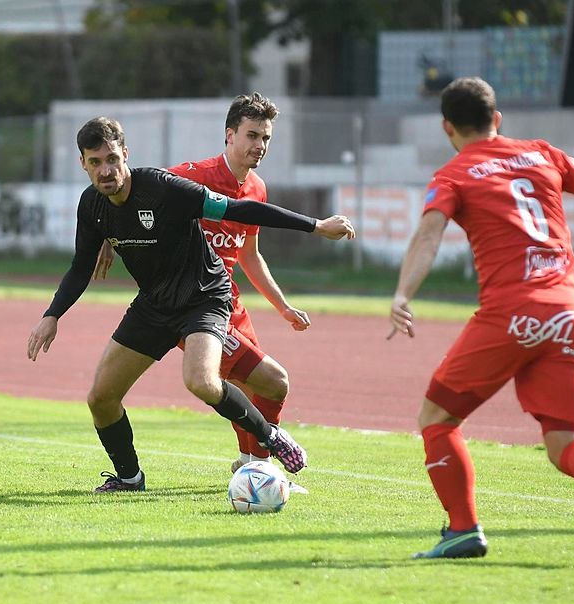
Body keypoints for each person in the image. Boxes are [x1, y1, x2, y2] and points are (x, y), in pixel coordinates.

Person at [388, 77, 574, 564]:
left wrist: (403, 292)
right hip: (567, 311)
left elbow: (429, 234)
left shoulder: (453, 174)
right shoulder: (542, 153)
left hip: (511, 311)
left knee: (436, 419)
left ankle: (463, 531)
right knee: (566, 442)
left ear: (448, 128)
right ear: (496, 119)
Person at [27, 116, 355, 492]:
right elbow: (80, 267)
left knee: (200, 381)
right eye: (96, 162)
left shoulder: (162, 188)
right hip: (154, 305)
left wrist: (315, 225)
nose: (106, 170)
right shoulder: (92, 206)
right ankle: (130, 478)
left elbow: (238, 210)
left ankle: (270, 437)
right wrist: (52, 315)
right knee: (101, 398)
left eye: (113, 159)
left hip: (204, 299)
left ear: (126, 155)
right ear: (83, 164)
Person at [95, 93, 306, 474]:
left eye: (266, 138)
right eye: (252, 135)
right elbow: (135, 191)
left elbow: (249, 255)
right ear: (230, 135)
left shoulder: (256, 188)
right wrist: (106, 237)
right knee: (268, 380)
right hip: (192, 303)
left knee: (266, 387)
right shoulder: (195, 175)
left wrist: (282, 306)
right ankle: (258, 466)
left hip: (229, 303)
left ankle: (251, 464)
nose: (259, 145)